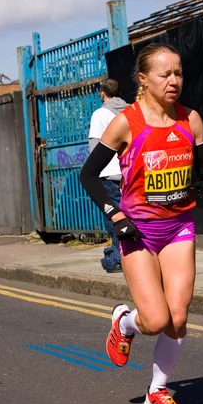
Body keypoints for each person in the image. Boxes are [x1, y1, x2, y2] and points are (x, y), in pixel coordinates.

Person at [80, 43, 203, 404]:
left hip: (178, 227)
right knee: (154, 321)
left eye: (179, 73)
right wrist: (115, 214)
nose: (174, 81)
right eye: (165, 74)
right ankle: (124, 322)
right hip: (137, 232)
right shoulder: (127, 122)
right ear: (143, 79)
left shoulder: (191, 119)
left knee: (178, 317)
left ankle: (157, 391)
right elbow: (88, 175)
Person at [88, 79, 128, 273]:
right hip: (127, 173)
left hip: (108, 174)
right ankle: (121, 253)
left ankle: (117, 258)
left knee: (112, 217)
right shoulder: (130, 111)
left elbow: (95, 149)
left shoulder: (100, 114)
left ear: (102, 93)